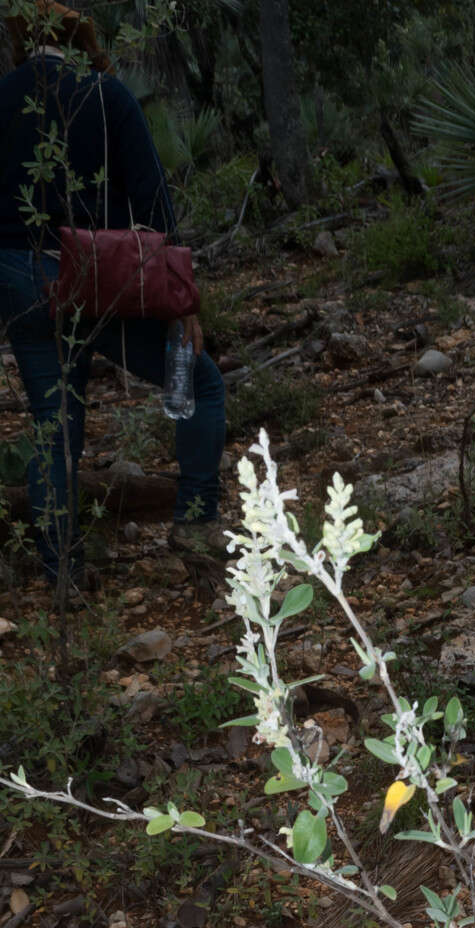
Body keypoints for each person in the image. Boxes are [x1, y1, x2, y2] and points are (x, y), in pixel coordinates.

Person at [0, 2, 225, 590]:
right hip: (110, 279)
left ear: (21, 38)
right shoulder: (107, 95)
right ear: (76, 40)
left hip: (23, 278)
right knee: (197, 381)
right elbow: (156, 206)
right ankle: (196, 521)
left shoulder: (2, 97)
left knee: (56, 424)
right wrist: (183, 306)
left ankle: (61, 574)